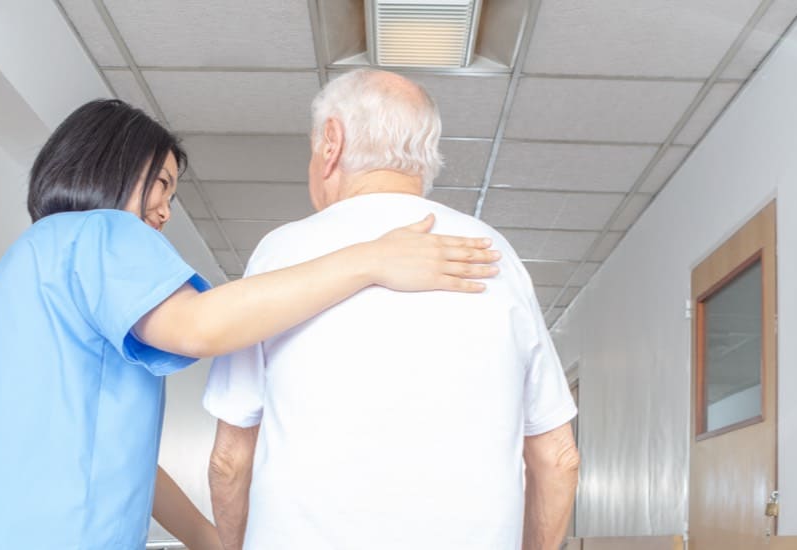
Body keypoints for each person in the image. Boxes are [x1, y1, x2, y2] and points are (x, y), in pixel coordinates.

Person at [0, 99, 501, 550]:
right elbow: (201, 325)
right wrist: (372, 260)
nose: (166, 212)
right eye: (163, 185)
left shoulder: (37, 263)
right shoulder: (99, 234)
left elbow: (125, 466)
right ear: (115, 164)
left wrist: (209, 541)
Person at [204, 69, 581, 550]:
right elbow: (558, 457)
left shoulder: (281, 255)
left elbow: (229, 461)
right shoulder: (494, 257)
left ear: (331, 143)